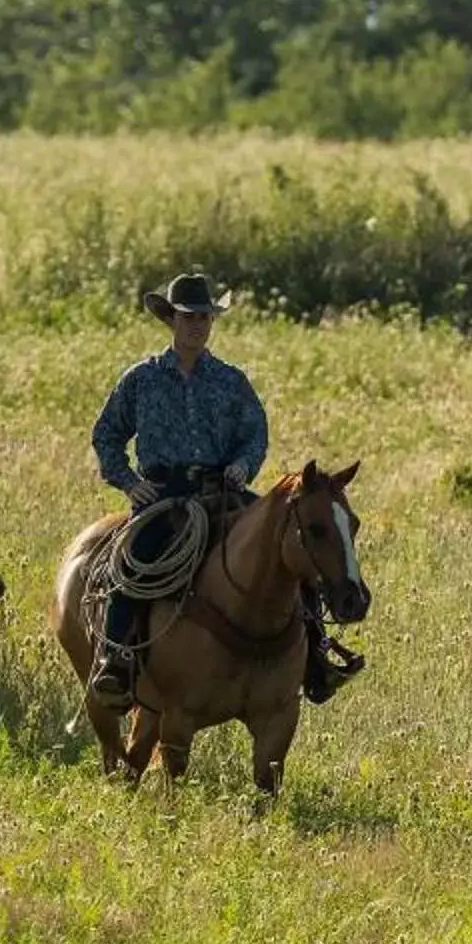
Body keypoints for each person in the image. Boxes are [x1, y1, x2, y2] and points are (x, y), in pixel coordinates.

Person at [84, 272, 269, 703]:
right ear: (171, 320)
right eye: (189, 317)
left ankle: (315, 653)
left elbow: (255, 433)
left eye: (205, 317)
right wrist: (130, 484)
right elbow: (107, 434)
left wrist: (244, 464)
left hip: (220, 489)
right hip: (162, 496)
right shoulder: (142, 379)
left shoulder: (230, 380)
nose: (198, 325)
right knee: (134, 562)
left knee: (285, 540)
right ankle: (116, 659)